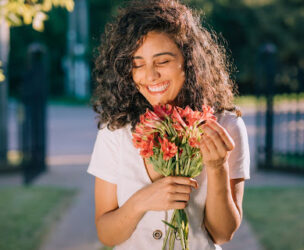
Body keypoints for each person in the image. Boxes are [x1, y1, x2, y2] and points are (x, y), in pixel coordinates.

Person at [87, 0, 250, 249]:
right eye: (137, 64)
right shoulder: (116, 131)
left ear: (189, 60)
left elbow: (222, 234)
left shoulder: (226, 125)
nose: (150, 76)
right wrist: (141, 201)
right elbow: (107, 235)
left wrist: (218, 167)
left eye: (162, 62)